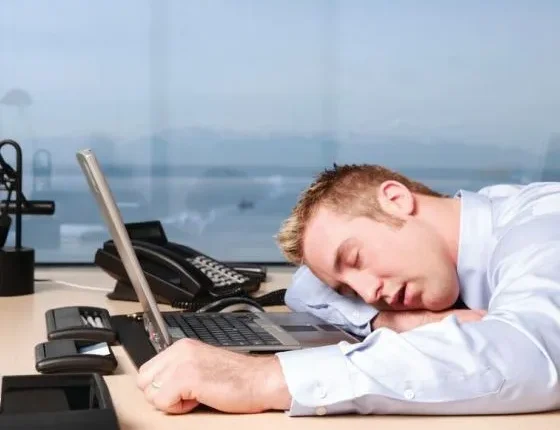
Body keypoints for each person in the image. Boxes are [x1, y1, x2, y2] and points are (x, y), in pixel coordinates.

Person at [136, 163, 560, 416]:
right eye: (348, 290)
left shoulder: (541, 227)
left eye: (355, 258)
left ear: (396, 200)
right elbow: (304, 288)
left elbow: (532, 355)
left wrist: (263, 378)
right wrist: (390, 321)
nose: (368, 292)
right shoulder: (441, 251)